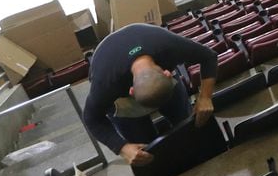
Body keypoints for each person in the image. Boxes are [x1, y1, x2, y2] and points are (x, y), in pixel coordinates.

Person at [82, 23, 219, 166]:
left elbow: (209, 57)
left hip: (159, 79)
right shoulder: (106, 83)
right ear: (131, 92)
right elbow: (91, 119)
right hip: (123, 102)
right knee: (146, 152)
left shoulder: (168, 45)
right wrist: (122, 147)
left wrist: (205, 97)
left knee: (187, 123)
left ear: (167, 73)